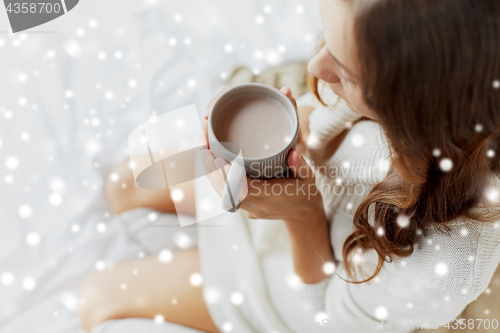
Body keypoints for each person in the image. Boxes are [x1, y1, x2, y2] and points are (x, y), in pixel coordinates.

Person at [78, 0, 500, 332]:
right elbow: (322, 115)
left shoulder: (445, 263)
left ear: (417, 110)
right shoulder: (384, 64)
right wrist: (275, 133)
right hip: (284, 194)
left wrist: (301, 215)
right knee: (123, 183)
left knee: (96, 298)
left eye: (348, 74)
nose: (316, 70)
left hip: (300, 286)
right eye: (328, 42)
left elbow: (326, 321)